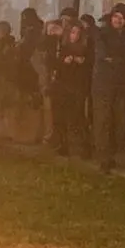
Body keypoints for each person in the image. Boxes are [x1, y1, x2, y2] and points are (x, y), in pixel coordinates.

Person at [91, 3, 125, 172]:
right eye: (116, 17)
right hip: (103, 84)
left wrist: (118, 60)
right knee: (103, 120)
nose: (119, 21)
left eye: (122, 18)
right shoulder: (102, 35)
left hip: (122, 85)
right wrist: (118, 60)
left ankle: (112, 153)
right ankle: (103, 156)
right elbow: (104, 56)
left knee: (118, 121)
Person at [51, 22, 92, 158]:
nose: (75, 36)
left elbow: (88, 67)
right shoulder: (62, 47)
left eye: (78, 33)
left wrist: (81, 61)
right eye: (73, 32)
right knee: (61, 118)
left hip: (77, 87)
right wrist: (64, 61)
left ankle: (85, 147)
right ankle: (64, 145)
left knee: (78, 118)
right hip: (63, 86)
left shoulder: (85, 49)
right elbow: (55, 65)